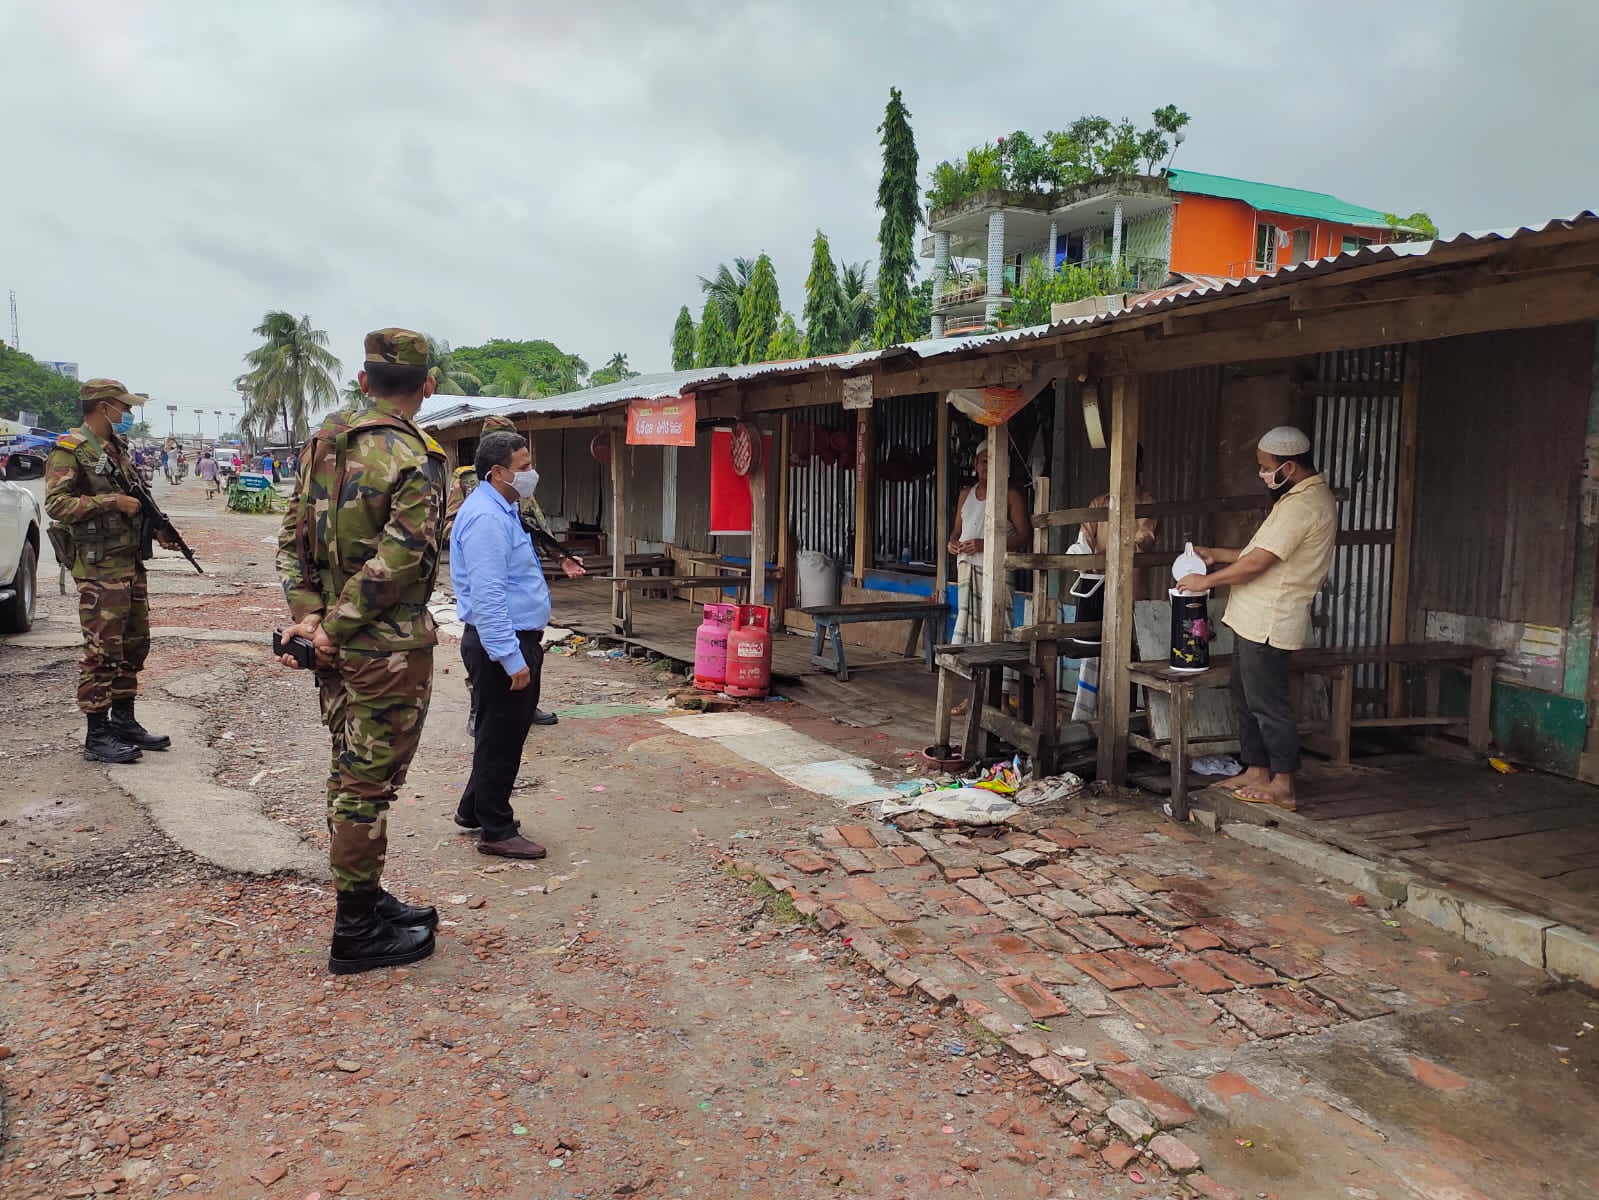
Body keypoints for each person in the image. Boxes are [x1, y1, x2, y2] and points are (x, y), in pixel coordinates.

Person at [275, 328, 447, 975]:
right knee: (365, 783)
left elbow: (291, 537)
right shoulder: (414, 456)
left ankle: (368, 900)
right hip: (385, 650)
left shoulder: (325, 439)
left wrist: (311, 616)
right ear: (426, 386)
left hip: (336, 649)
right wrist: (336, 627)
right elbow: (401, 560)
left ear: (363, 379)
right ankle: (355, 930)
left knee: (351, 770)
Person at [1176, 426, 1337, 812]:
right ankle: (1257, 769)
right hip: (1253, 617)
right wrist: (1215, 553)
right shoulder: (1295, 498)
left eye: (1267, 468)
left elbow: (1259, 564)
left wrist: (1206, 580)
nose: (1263, 475)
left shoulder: (1304, 505)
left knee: (1268, 702)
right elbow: (1255, 552)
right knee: (1245, 696)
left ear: (1290, 467)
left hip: (1271, 618)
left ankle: (1284, 783)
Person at [44, 379, 177, 763]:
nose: (128, 415)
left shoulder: (114, 448)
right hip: (99, 566)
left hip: (128, 562)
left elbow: (139, 499)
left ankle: (124, 720)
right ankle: (96, 735)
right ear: (103, 407)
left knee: (134, 644)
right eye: (123, 407)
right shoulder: (69, 450)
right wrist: (110, 502)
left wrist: (159, 529)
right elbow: (57, 504)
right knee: (103, 650)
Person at [448, 430, 562, 860]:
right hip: (502, 642)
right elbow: (489, 596)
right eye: (524, 466)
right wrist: (512, 658)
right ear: (498, 472)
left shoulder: (502, 507)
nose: (531, 473)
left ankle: (473, 809)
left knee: (497, 734)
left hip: (511, 638)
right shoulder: (487, 519)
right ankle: (496, 828)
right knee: (503, 740)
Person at [444, 414, 584, 729]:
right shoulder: (470, 483)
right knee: (493, 678)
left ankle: (525, 707)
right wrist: (480, 539)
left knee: (524, 662)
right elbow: (452, 521)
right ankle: (478, 709)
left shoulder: (517, 481)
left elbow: (534, 522)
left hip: (513, 566)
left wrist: (560, 556)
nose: (528, 470)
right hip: (487, 560)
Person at [946, 441, 1029, 644]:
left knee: (1000, 627)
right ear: (975, 464)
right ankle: (970, 674)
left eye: (994, 461)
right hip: (967, 569)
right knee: (967, 625)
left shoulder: (1011, 495)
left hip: (997, 572)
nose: (988, 466)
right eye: (984, 461)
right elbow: (956, 532)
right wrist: (952, 543)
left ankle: (1002, 676)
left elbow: (1025, 537)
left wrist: (986, 545)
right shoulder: (965, 494)